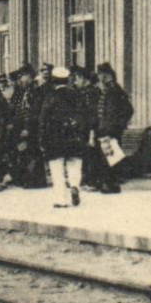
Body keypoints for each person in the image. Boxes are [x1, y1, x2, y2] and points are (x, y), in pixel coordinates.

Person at [39, 65, 93, 207]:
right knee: (74, 164)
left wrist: (42, 140)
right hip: (74, 137)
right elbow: (85, 117)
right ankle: (74, 186)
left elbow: (43, 120)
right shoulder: (77, 95)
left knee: (57, 169)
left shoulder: (50, 98)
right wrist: (84, 136)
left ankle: (61, 200)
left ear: (54, 80)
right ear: (67, 79)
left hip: (55, 138)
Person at [85, 62, 134, 194]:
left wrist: (116, 128)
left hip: (110, 131)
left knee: (110, 158)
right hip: (105, 130)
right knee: (106, 157)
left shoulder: (114, 90)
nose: (99, 77)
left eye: (101, 74)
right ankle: (106, 183)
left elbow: (124, 111)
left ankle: (110, 184)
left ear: (106, 75)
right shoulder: (108, 90)